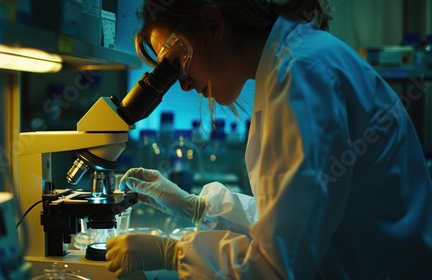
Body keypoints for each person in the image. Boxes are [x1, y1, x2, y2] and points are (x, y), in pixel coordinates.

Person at [105, 0, 432, 279]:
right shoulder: (294, 63)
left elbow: (278, 266)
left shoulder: (302, 76)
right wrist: (198, 208)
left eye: (176, 64)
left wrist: (174, 254)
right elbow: (293, 222)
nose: (184, 85)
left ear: (212, 23)